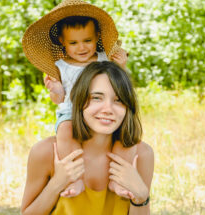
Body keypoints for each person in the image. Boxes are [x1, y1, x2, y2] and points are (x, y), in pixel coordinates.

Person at [22, 0, 135, 198]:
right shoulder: (60, 66)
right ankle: (75, 178)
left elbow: (116, 84)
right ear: (62, 42)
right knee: (65, 131)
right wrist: (56, 89)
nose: (81, 48)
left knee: (125, 136)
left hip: (102, 109)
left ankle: (117, 180)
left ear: (97, 36)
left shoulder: (103, 59)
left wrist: (121, 66)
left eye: (87, 41)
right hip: (72, 111)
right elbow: (58, 100)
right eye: (73, 43)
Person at [21, 61, 154, 215]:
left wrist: (141, 197)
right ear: (80, 99)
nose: (108, 109)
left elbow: (140, 204)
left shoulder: (141, 154)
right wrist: (57, 184)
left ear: (128, 107)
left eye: (118, 100)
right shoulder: (46, 152)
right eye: (97, 98)